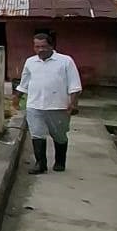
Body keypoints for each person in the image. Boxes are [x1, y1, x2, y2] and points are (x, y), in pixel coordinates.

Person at [14, 29, 81, 174]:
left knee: (59, 135)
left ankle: (60, 161)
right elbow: (24, 83)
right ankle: (40, 164)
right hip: (34, 105)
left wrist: (73, 103)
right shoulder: (30, 62)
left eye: (43, 46)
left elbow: (75, 85)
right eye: (37, 46)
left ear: (51, 46)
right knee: (37, 134)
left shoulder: (65, 61)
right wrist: (16, 98)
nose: (40, 50)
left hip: (58, 106)